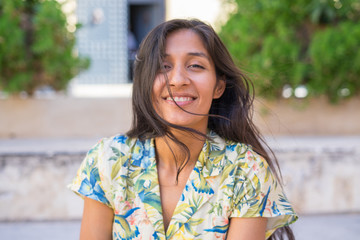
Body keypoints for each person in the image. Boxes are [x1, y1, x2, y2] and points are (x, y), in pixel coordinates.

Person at [69, 19, 298, 240]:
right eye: (163, 66)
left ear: (219, 86)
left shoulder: (246, 172)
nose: (177, 80)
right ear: (145, 81)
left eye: (195, 66)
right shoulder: (109, 160)